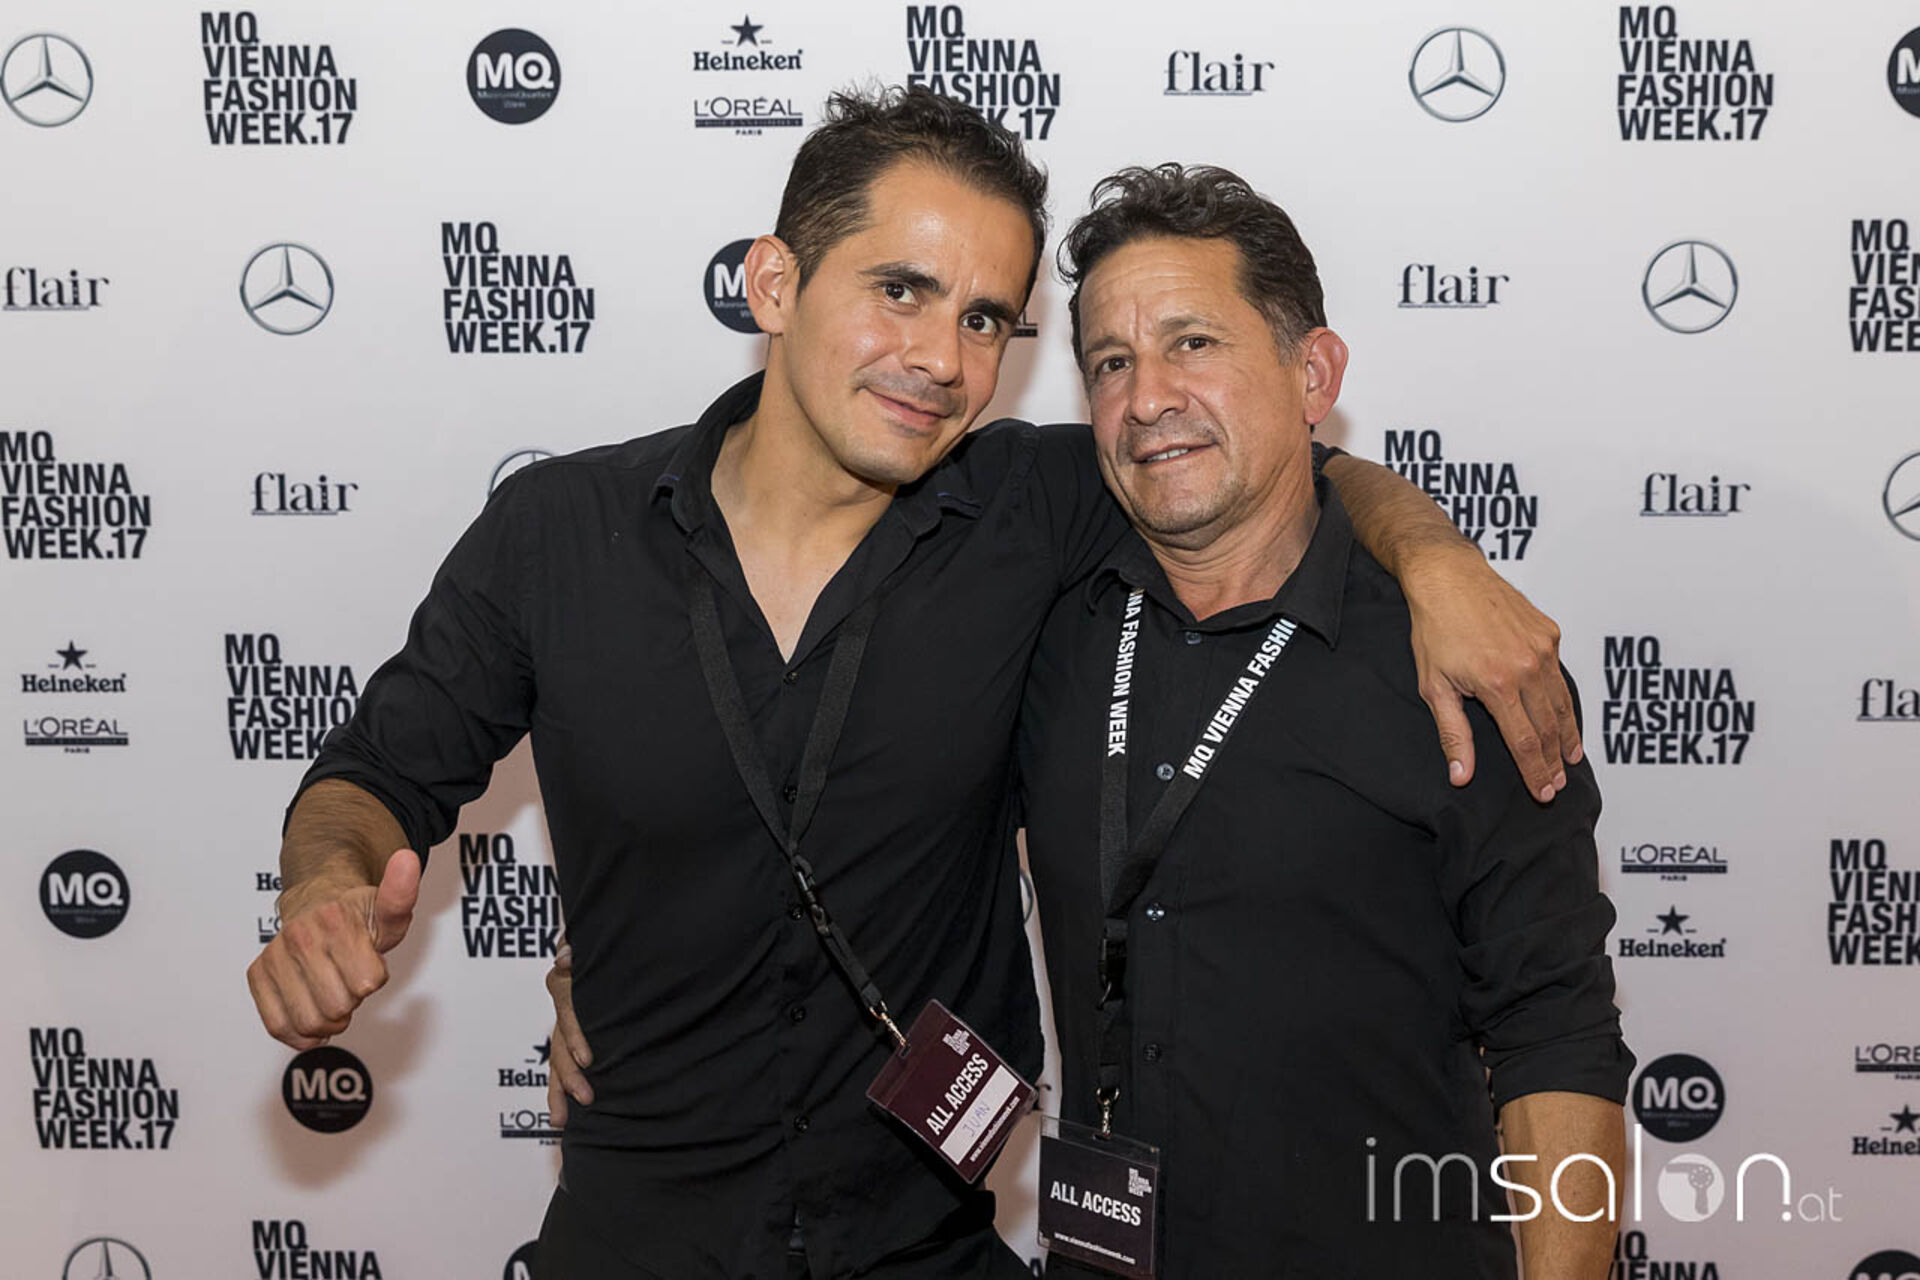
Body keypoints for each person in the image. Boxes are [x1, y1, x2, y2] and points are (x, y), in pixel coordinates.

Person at [248, 88, 1583, 1280]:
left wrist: (1435, 555)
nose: (944, 358)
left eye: (984, 318)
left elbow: (1256, 456)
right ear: (774, 282)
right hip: (637, 1239)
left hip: (924, 1247)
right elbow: (375, 777)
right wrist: (324, 890)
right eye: (901, 290)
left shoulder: (1032, 509)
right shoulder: (559, 534)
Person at [1016, 165, 1630, 1278]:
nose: (1147, 397)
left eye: (1194, 343)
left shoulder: (1459, 663)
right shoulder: (1045, 622)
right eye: (1110, 362)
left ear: (1314, 374)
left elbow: (1558, 1036)